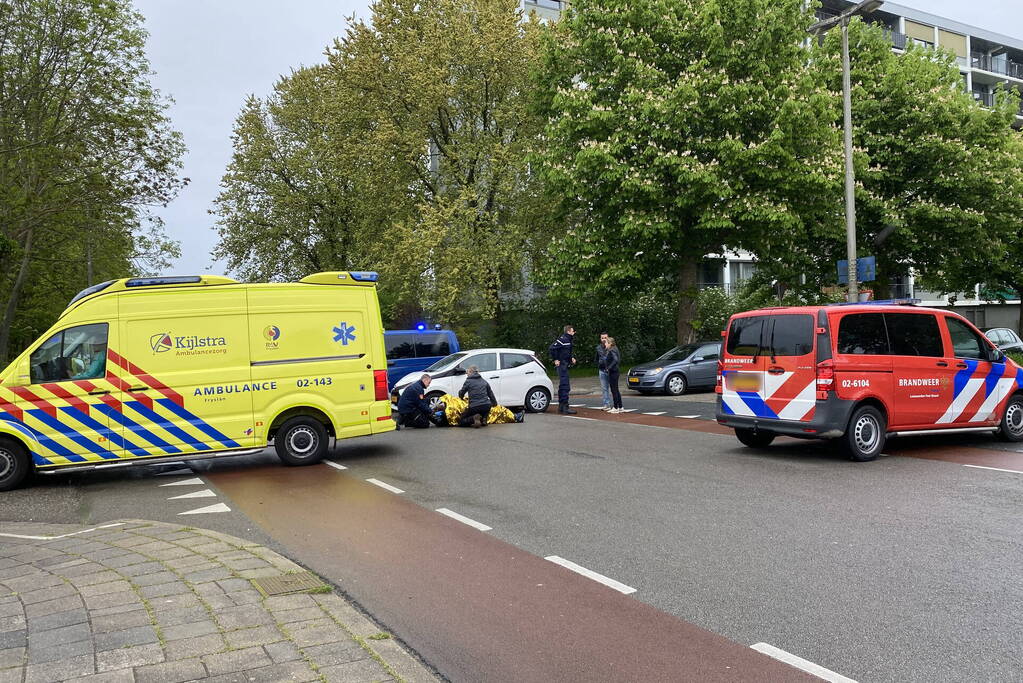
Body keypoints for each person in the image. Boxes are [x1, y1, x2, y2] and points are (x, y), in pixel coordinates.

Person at [549, 325, 576, 414]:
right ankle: (565, 407)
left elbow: (566, 352)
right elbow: (552, 348)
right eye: (572, 331)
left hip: (565, 364)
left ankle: (561, 406)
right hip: (562, 365)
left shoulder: (568, 340)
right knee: (565, 386)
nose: (573, 332)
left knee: (563, 385)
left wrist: (571, 358)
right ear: (568, 331)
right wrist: (556, 359)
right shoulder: (563, 339)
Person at [605, 336, 624, 413]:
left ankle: (616, 407)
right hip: (616, 371)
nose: (605, 344)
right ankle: (620, 407)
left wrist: (609, 368)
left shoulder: (612, 350)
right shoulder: (615, 349)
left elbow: (615, 360)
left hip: (613, 372)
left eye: (606, 342)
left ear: (610, 343)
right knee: (616, 389)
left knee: (614, 390)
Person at [595, 332, 610, 410]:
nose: (604, 339)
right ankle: (606, 404)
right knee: (604, 388)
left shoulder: (611, 347)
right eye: (602, 338)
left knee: (614, 388)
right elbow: (596, 358)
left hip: (610, 370)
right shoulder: (598, 348)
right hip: (602, 370)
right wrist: (599, 364)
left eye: (605, 338)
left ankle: (617, 405)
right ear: (600, 339)